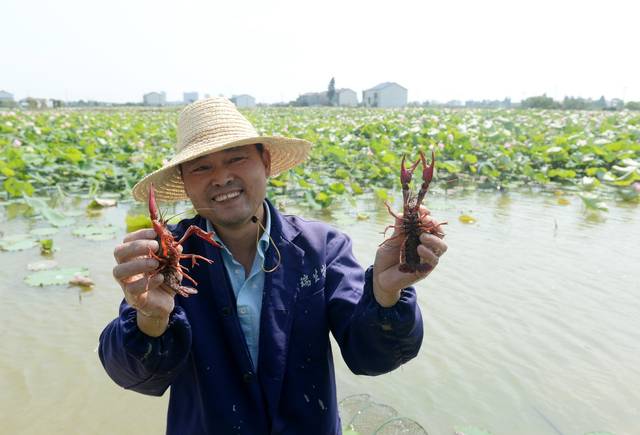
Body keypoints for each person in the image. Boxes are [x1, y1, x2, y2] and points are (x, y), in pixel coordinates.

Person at [99, 97, 447, 435]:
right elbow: (132, 375)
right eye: (201, 167)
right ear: (185, 184)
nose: (221, 178)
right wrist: (151, 320)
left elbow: (372, 357)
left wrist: (386, 294)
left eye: (236, 158)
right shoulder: (163, 257)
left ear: (265, 162)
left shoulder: (322, 247)